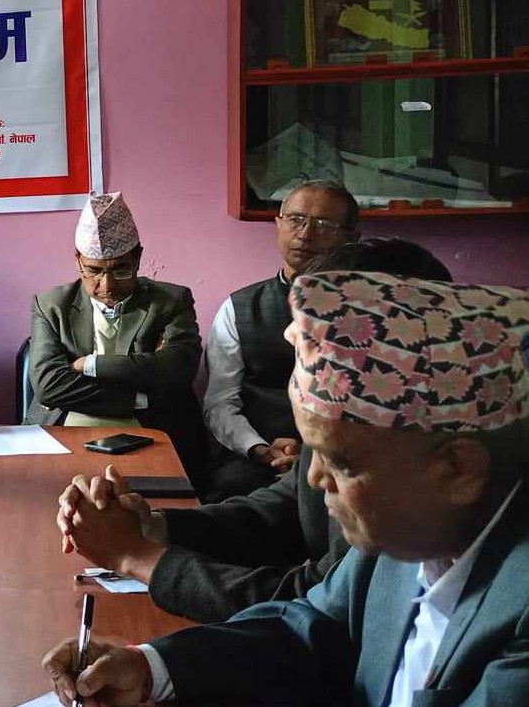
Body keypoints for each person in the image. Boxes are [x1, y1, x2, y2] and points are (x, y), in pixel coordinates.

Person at [43, 270, 529, 707]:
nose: (313, 478)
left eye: (340, 461)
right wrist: (150, 668)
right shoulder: (411, 532)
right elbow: (307, 631)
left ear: (458, 470)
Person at [55, 237, 452, 624]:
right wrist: (153, 526)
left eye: (312, 352)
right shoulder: (344, 420)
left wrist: (141, 559)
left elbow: (315, 603)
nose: (316, 474)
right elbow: (273, 514)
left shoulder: (408, 473)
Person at [25, 192, 211, 485]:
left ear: (138, 258)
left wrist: (89, 365)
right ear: (78, 261)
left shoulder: (171, 300)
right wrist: (138, 396)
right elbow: (49, 386)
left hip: (153, 432)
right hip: (65, 427)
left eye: (121, 270)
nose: (107, 285)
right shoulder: (51, 305)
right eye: (94, 271)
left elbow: (179, 369)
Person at [202, 179, 361, 500]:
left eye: (323, 225)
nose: (306, 234)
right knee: (230, 492)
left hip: (342, 456)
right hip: (256, 456)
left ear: (350, 237)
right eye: (295, 220)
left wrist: (314, 453)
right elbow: (220, 403)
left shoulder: (368, 311)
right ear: (278, 223)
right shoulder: (239, 308)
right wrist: (259, 449)